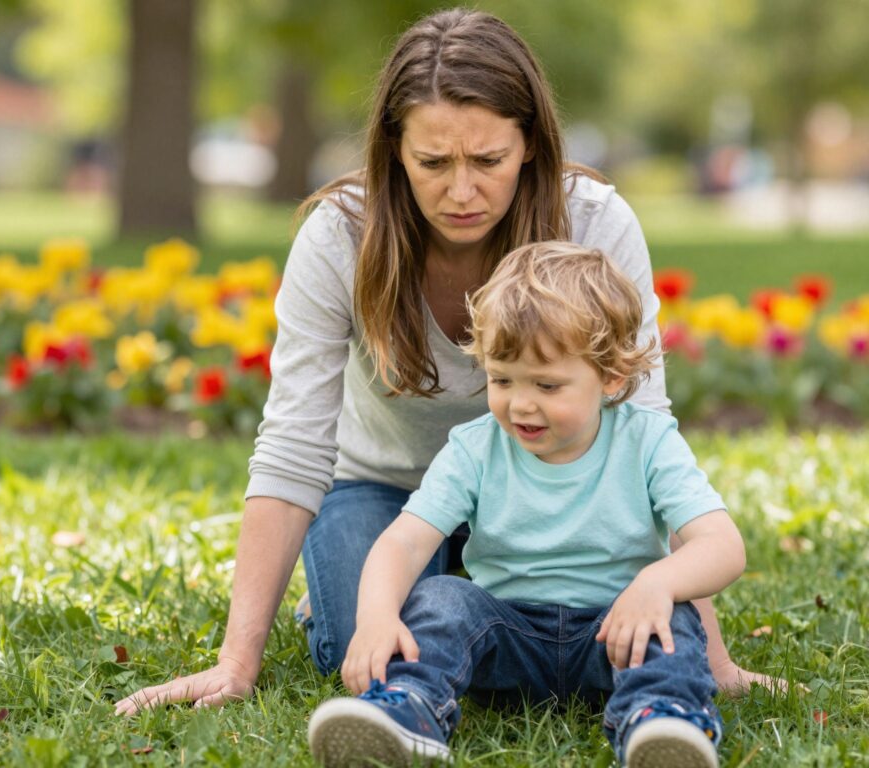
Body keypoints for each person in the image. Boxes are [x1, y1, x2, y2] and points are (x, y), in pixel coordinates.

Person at [115, 6, 771, 718]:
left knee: (606, 631)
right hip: (387, 488)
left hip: (553, 487)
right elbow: (293, 446)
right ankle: (414, 589)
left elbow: (642, 429)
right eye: (433, 163)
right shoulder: (339, 238)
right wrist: (235, 662)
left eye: (488, 160)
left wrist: (711, 659)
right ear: (395, 149)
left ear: (530, 143)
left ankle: (474, 589)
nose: (461, 192)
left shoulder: (594, 222)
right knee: (364, 648)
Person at [308, 242, 745, 767]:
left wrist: (658, 583)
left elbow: (723, 546)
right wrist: (377, 616)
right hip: (505, 638)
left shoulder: (648, 441)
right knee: (442, 597)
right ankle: (408, 707)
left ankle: (660, 719)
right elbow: (404, 543)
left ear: (611, 376)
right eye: (501, 379)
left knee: (673, 617)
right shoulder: (475, 447)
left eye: (547, 384)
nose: (520, 404)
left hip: (616, 634)